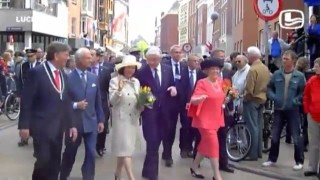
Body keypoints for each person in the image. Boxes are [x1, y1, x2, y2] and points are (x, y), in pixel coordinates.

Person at [18, 42, 78, 180]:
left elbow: (66, 101)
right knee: (43, 160)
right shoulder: (37, 73)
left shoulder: (63, 74)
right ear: (56, 55)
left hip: (58, 128)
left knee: (55, 162)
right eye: (66, 54)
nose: (68, 58)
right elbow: (27, 100)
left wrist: (72, 125)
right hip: (40, 127)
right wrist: (24, 126)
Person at [60, 48, 105, 180]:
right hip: (74, 123)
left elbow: (98, 102)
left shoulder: (93, 78)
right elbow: (62, 102)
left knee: (91, 152)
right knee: (70, 152)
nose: (91, 60)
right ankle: (63, 174)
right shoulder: (68, 78)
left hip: (91, 121)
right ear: (79, 60)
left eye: (91, 57)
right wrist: (75, 105)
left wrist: (101, 120)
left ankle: (88, 176)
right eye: (87, 57)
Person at [136, 46, 177, 180]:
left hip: (165, 113)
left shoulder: (167, 70)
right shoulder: (141, 72)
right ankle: (153, 174)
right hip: (150, 113)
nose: (152, 63)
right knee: (152, 142)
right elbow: (140, 91)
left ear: (160, 58)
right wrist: (148, 100)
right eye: (149, 60)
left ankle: (146, 171)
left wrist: (173, 88)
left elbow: (171, 84)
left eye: (155, 60)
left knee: (157, 142)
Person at [263, 50, 305, 170]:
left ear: (293, 61)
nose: (284, 60)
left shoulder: (299, 76)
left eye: (286, 59)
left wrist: (296, 101)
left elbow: (303, 92)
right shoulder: (277, 74)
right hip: (278, 109)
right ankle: (272, 159)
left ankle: (299, 161)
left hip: (293, 110)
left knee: (296, 136)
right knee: (275, 135)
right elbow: (269, 87)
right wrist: (273, 97)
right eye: (283, 58)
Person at [188, 58, 226, 180]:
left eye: (217, 69)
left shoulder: (222, 82)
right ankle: (217, 175)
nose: (215, 71)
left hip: (216, 117)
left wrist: (228, 99)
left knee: (205, 144)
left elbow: (225, 97)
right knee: (214, 144)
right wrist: (199, 99)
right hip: (204, 120)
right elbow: (193, 99)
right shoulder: (202, 83)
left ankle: (194, 167)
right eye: (212, 69)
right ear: (207, 70)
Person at [109, 55, 142, 180]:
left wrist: (144, 103)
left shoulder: (136, 82)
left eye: (133, 68)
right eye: (128, 67)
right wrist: (119, 90)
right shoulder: (115, 80)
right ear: (123, 68)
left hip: (133, 119)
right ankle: (131, 177)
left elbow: (138, 100)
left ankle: (117, 173)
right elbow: (112, 102)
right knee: (125, 150)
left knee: (125, 149)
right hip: (121, 119)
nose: (130, 70)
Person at [162, 45, 191, 165]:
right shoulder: (165, 66)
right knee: (170, 128)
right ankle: (167, 154)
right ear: (171, 53)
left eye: (180, 52)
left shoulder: (184, 67)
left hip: (183, 101)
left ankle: (184, 148)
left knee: (186, 126)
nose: (178, 54)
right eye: (175, 52)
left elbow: (186, 84)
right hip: (170, 102)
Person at [243, 46, 270, 160]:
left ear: (252, 56)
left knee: (252, 127)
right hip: (262, 99)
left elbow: (250, 89)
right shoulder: (264, 68)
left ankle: (252, 154)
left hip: (252, 100)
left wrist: (245, 98)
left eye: (247, 55)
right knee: (258, 126)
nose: (246, 57)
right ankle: (258, 152)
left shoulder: (253, 69)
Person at [211, 49, 234, 173]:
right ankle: (196, 160)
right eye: (220, 57)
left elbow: (230, 88)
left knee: (223, 136)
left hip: (223, 111)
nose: (222, 59)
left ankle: (223, 163)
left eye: (223, 56)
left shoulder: (227, 72)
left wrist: (230, 98)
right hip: (210, 112)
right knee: (204, 138)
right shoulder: (205, 73)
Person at [89, 49, 113, 157]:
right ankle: (91, 145)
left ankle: (100, 146)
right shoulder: (86, 70)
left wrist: (111, 102)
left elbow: (109, 88)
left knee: (103, 124)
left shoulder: (105, 71)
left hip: (102, 102)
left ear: (98, 57)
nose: (90, 57)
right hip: (88, 103)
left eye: (92, 55)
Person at [17, 49, 41, 147]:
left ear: (35, 56)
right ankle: (24, 138)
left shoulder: (41, 65)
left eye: (31, 56)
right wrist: (18, 94)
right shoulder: (24, 66)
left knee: (36, 115)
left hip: (37, 95)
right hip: (26, 93)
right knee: (25, 114)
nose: (30, 58)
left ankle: (36, 136)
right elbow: (19, 79)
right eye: (28, 56)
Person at [303, 58, 320, 178]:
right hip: (313, 115)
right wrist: (307, 110)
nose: (314, 67)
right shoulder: (312, 80)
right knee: (313, 143)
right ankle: (312, 167)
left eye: (317, 65)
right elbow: (306, 96)